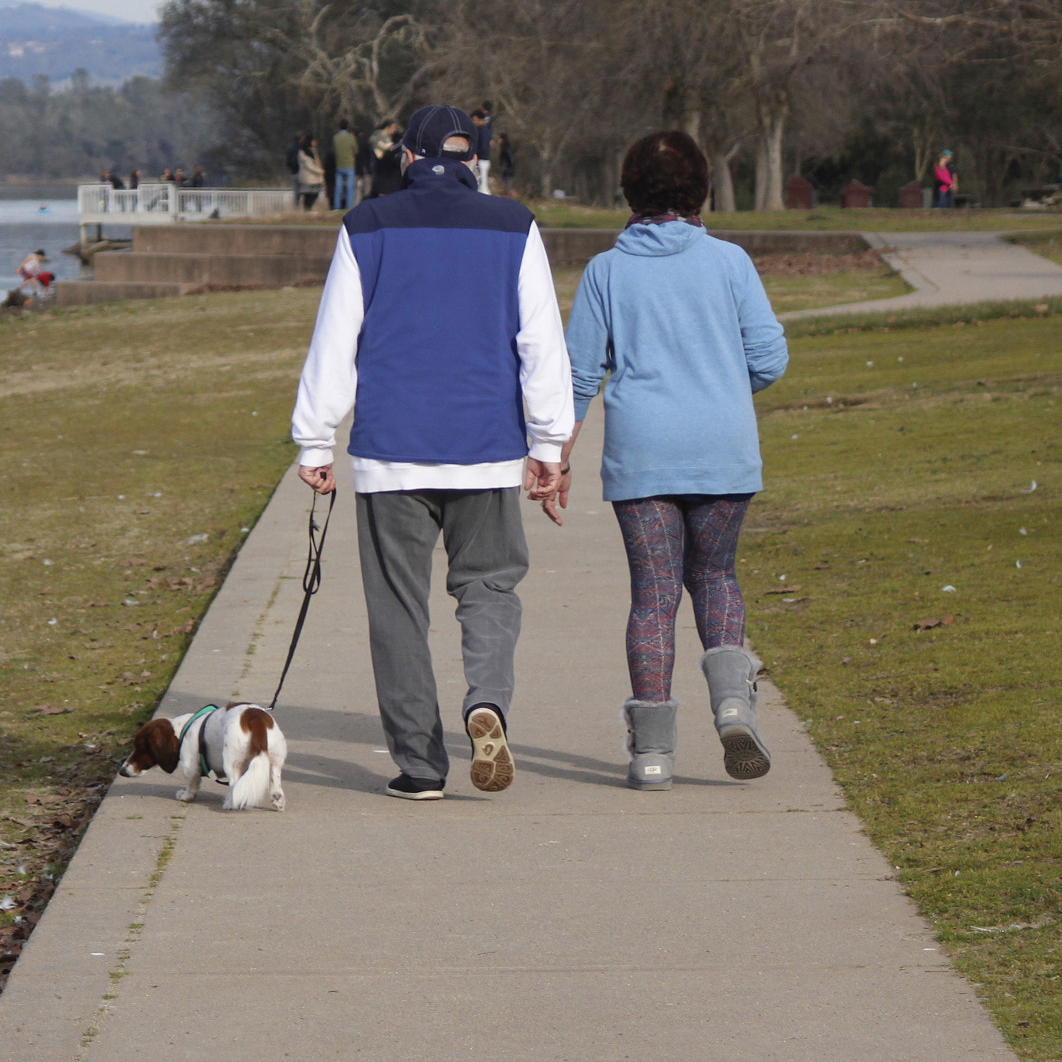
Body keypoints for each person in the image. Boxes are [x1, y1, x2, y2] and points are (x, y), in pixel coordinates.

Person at [292, 104, 572, 801]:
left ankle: (419, 763)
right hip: (485, 444)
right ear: (474, 159)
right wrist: (547, 442)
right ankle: (487, 700)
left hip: (394, 447)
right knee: (490, 584)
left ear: (408, 158)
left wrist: (315, 438)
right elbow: (540, 343)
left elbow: (337, 340)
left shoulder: (368, 226)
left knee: (397, 609)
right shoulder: (515, 226)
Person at [550, 130, 787, 791]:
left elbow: (576, 376)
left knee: (653, 597)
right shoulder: (731, 263)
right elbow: (769, 358)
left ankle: (652, 755)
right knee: (716, 576)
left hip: (644, 455)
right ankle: (734, 702)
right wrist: (720, 384)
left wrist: (554, 455)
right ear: (700, 188)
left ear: (629, 191)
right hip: (723, 448)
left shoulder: (606, 271)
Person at [368, 119, 405, 199]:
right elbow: (372, 141)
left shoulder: (390, 137)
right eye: (392, 128)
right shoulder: (379, 134)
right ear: (388, 127)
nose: (394, 130)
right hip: (379, 162)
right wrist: (385, 146)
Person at [333, 120, 360, 210]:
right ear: (347, 127)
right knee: (349, 188)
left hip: (339, 165)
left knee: (338, 188)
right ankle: (348, 207)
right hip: (349, 165)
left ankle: (336, 207)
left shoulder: (335, 137)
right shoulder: (351, 137)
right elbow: (355, 150)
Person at [471, 103, 495, 194]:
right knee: (480, 185)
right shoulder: (481, 130)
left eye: (475, 119)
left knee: (483, 186)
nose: (474, 121)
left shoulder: (483, 130)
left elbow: (484, 147)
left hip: (482, 160)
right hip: (480, 159)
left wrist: (477, 156)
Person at [295, 136, 325, 210]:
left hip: (315, 178)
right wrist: (320, 171)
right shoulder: (303, 153)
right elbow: (309, 165)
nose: (315, 143)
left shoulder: (313, 151)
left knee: (314, 194)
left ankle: (308, 209)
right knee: (308, 194)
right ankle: (307, 209)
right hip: (308, 178)